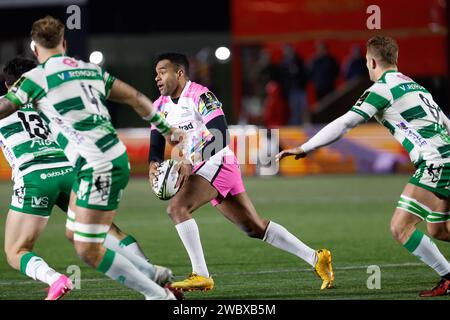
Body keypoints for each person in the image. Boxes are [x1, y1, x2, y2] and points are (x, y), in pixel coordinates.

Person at [0, 16, 183, 300]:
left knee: (87, 248)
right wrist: (167, 128)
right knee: (76, 232)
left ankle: (157, 294)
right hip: (100, 160)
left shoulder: (34, 79)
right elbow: (135, 96)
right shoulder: (89, 69)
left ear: (35, 48)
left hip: (96, 165)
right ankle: (151, 273)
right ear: (64, 42)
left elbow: (6, 106)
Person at [277, 35, 450, 297]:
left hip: (436, 161)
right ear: (395, 59)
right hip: (445, 157)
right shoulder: (414, 85)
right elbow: (446, 122)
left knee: (400, 227)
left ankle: (448, 277)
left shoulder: (382, 90)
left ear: (370, 61)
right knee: (439, 229)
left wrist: (305, 147)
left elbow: (346, 123)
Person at [149, 52, 334, 292]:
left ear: (180, 73)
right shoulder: (159, 106)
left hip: (217, 161)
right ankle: (316, 258)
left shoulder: (200, 95)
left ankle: (201, 275)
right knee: (254, 227)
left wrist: (189, 161)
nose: (157, 78)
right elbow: (155, 141)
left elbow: (221, 135)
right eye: (156, 73)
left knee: (177, 208)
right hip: (205, 166)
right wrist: (154, 162)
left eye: (162, 71)